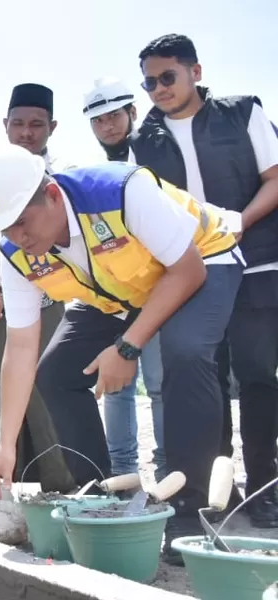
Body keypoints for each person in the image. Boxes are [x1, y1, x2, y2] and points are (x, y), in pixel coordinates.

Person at [0, 143, 243, 566]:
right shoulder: (17, 255)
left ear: (53, 196)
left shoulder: (118, 192)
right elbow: (20, 347)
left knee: (185, 353)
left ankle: (191, 509)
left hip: (202, 257)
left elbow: (187, 270)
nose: (18, 238)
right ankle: (104, 496)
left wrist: (127, 347)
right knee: (55, 373)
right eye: (5, 230)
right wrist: (5, 447)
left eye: (21, 222)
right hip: (123, 290)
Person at [131, 33, 278, 530]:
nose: (158, 89)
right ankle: (214, 493)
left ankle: (264, 488)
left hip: (257, 263)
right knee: (200, 379)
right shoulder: (142, 141)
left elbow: (276, 178)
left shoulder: (242, 112)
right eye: (149, 82)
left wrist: (240, 220)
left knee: (258, 378)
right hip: (194, 277)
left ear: (195, 71)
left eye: (167, 77)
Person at [0, 84, 73, 489]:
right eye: (18, 124)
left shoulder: (63, 176)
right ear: (5, 125)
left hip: (50, 296)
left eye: (36, 124)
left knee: (47, 385)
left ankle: (63, 482)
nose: (26, 132)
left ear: (52, 126)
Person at [82, 76, 165, 478]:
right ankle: (123, 471)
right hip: (118, 294)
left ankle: (167, 468)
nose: (108, 126)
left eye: (114, 115)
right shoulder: (94, 172)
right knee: (116, 386)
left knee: (161, 383)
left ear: (132, 112)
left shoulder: (160, 156)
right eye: (98, 120)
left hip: (165, 284)